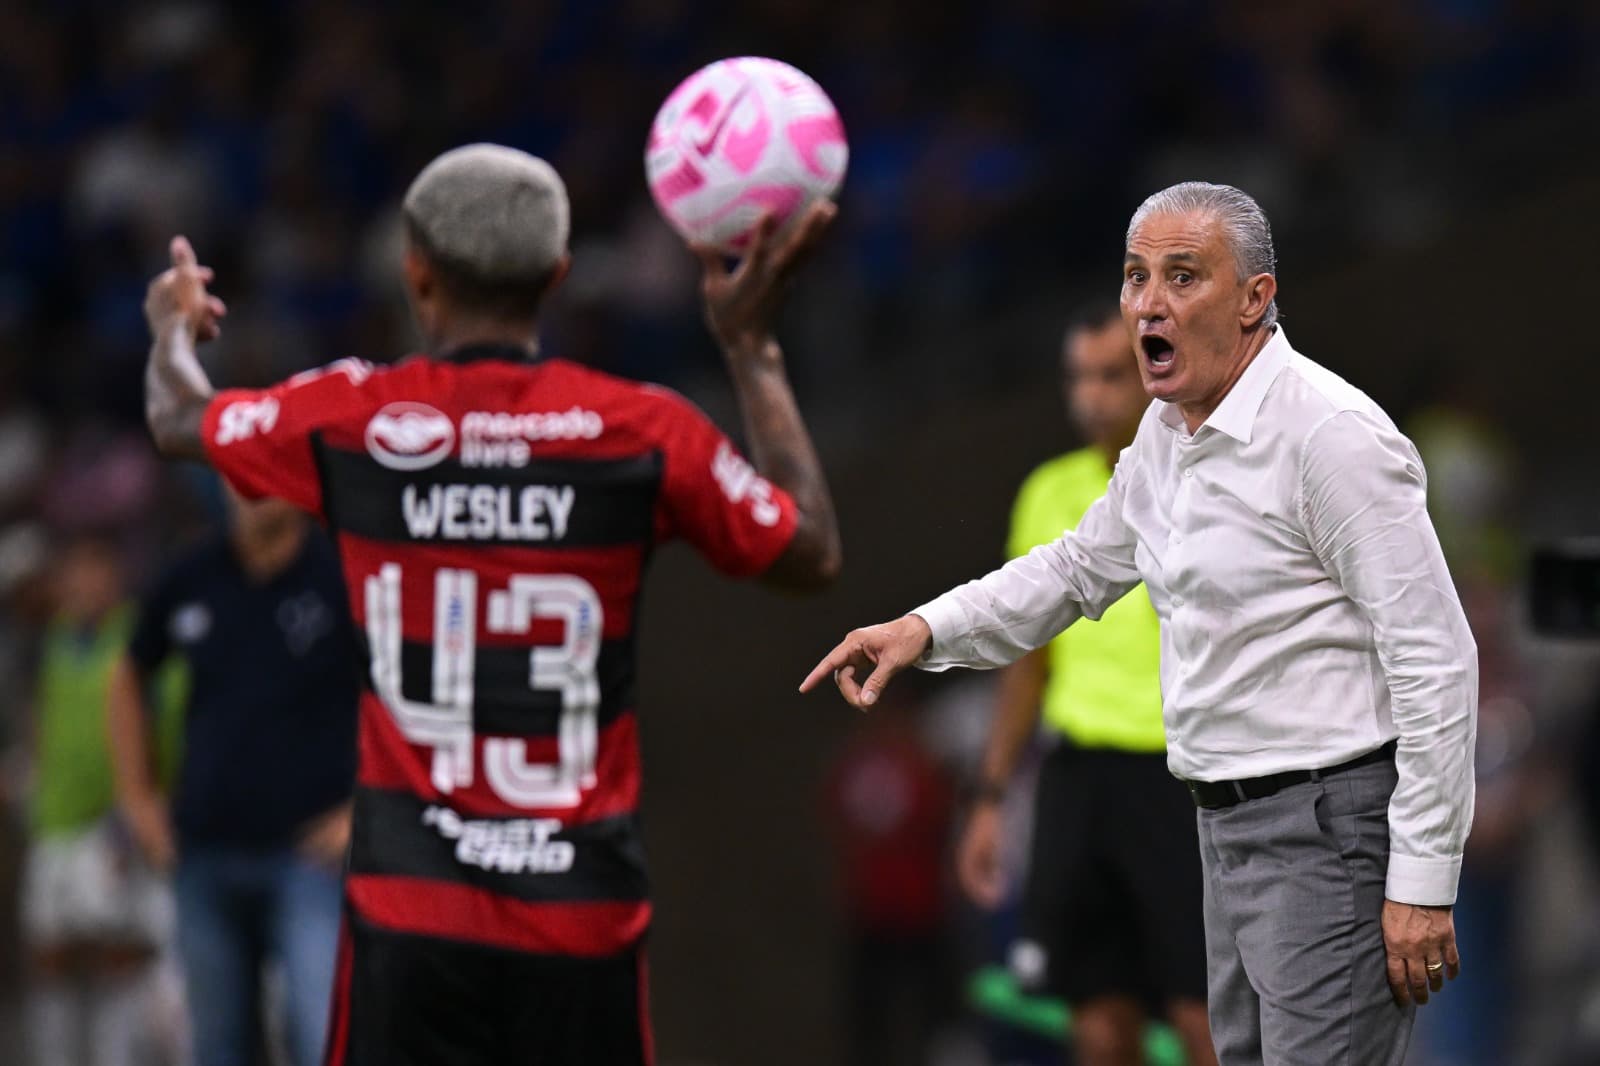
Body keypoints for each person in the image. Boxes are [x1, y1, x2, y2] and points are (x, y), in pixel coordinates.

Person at [140, 143, 841, 1065]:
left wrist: (170, 330)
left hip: (411, 919)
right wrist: (751, 349)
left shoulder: (354, 419)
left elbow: (178, 418)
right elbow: (809, 552)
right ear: (556, 278)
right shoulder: (642, 429)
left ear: (415, 275)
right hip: (581, 915)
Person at [803, 181, 1478, 1066]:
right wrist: (924, 630)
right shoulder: (1168, 432)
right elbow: (1077, 568)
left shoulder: (1331, 437)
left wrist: (1423, 879)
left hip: (1327, 828)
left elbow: (1435, 655)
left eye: (1183, 276)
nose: (1148, 303)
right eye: (1135, 276)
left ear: (1254, 300)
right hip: (1219, 829)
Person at [955, 305, 1214, 1066]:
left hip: (1178, 778)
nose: (1089, 396)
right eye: (1079, 377)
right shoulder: (1048, 490)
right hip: (1079, 777)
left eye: (1109, 376)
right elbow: (1025, 660)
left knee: (1206, 1020)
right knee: (1097, 1025)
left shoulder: (1201, 480)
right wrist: (991, 797)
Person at [107, 487, 360, 1066]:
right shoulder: (193, 574)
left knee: (319, 1034)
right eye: (234, 472)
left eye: (263, 472)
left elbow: (394, 692)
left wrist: (364, 810)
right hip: (205, 858)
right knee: (218, 1047)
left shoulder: (338, 574)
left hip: (309, 860)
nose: (247, 489)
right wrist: (138, 801)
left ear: (297, 484)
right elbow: (126, 674)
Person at [22, 535, 183, 1066]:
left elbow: (164, 724)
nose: (83, 586)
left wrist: (138, 808)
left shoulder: (139, 637)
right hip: (55, 822)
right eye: (73, 574)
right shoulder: (55, 641)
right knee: (50, 953)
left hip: (112, 823)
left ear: (115, 577)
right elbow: (45, 723)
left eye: (95, 573)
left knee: (119, 954)